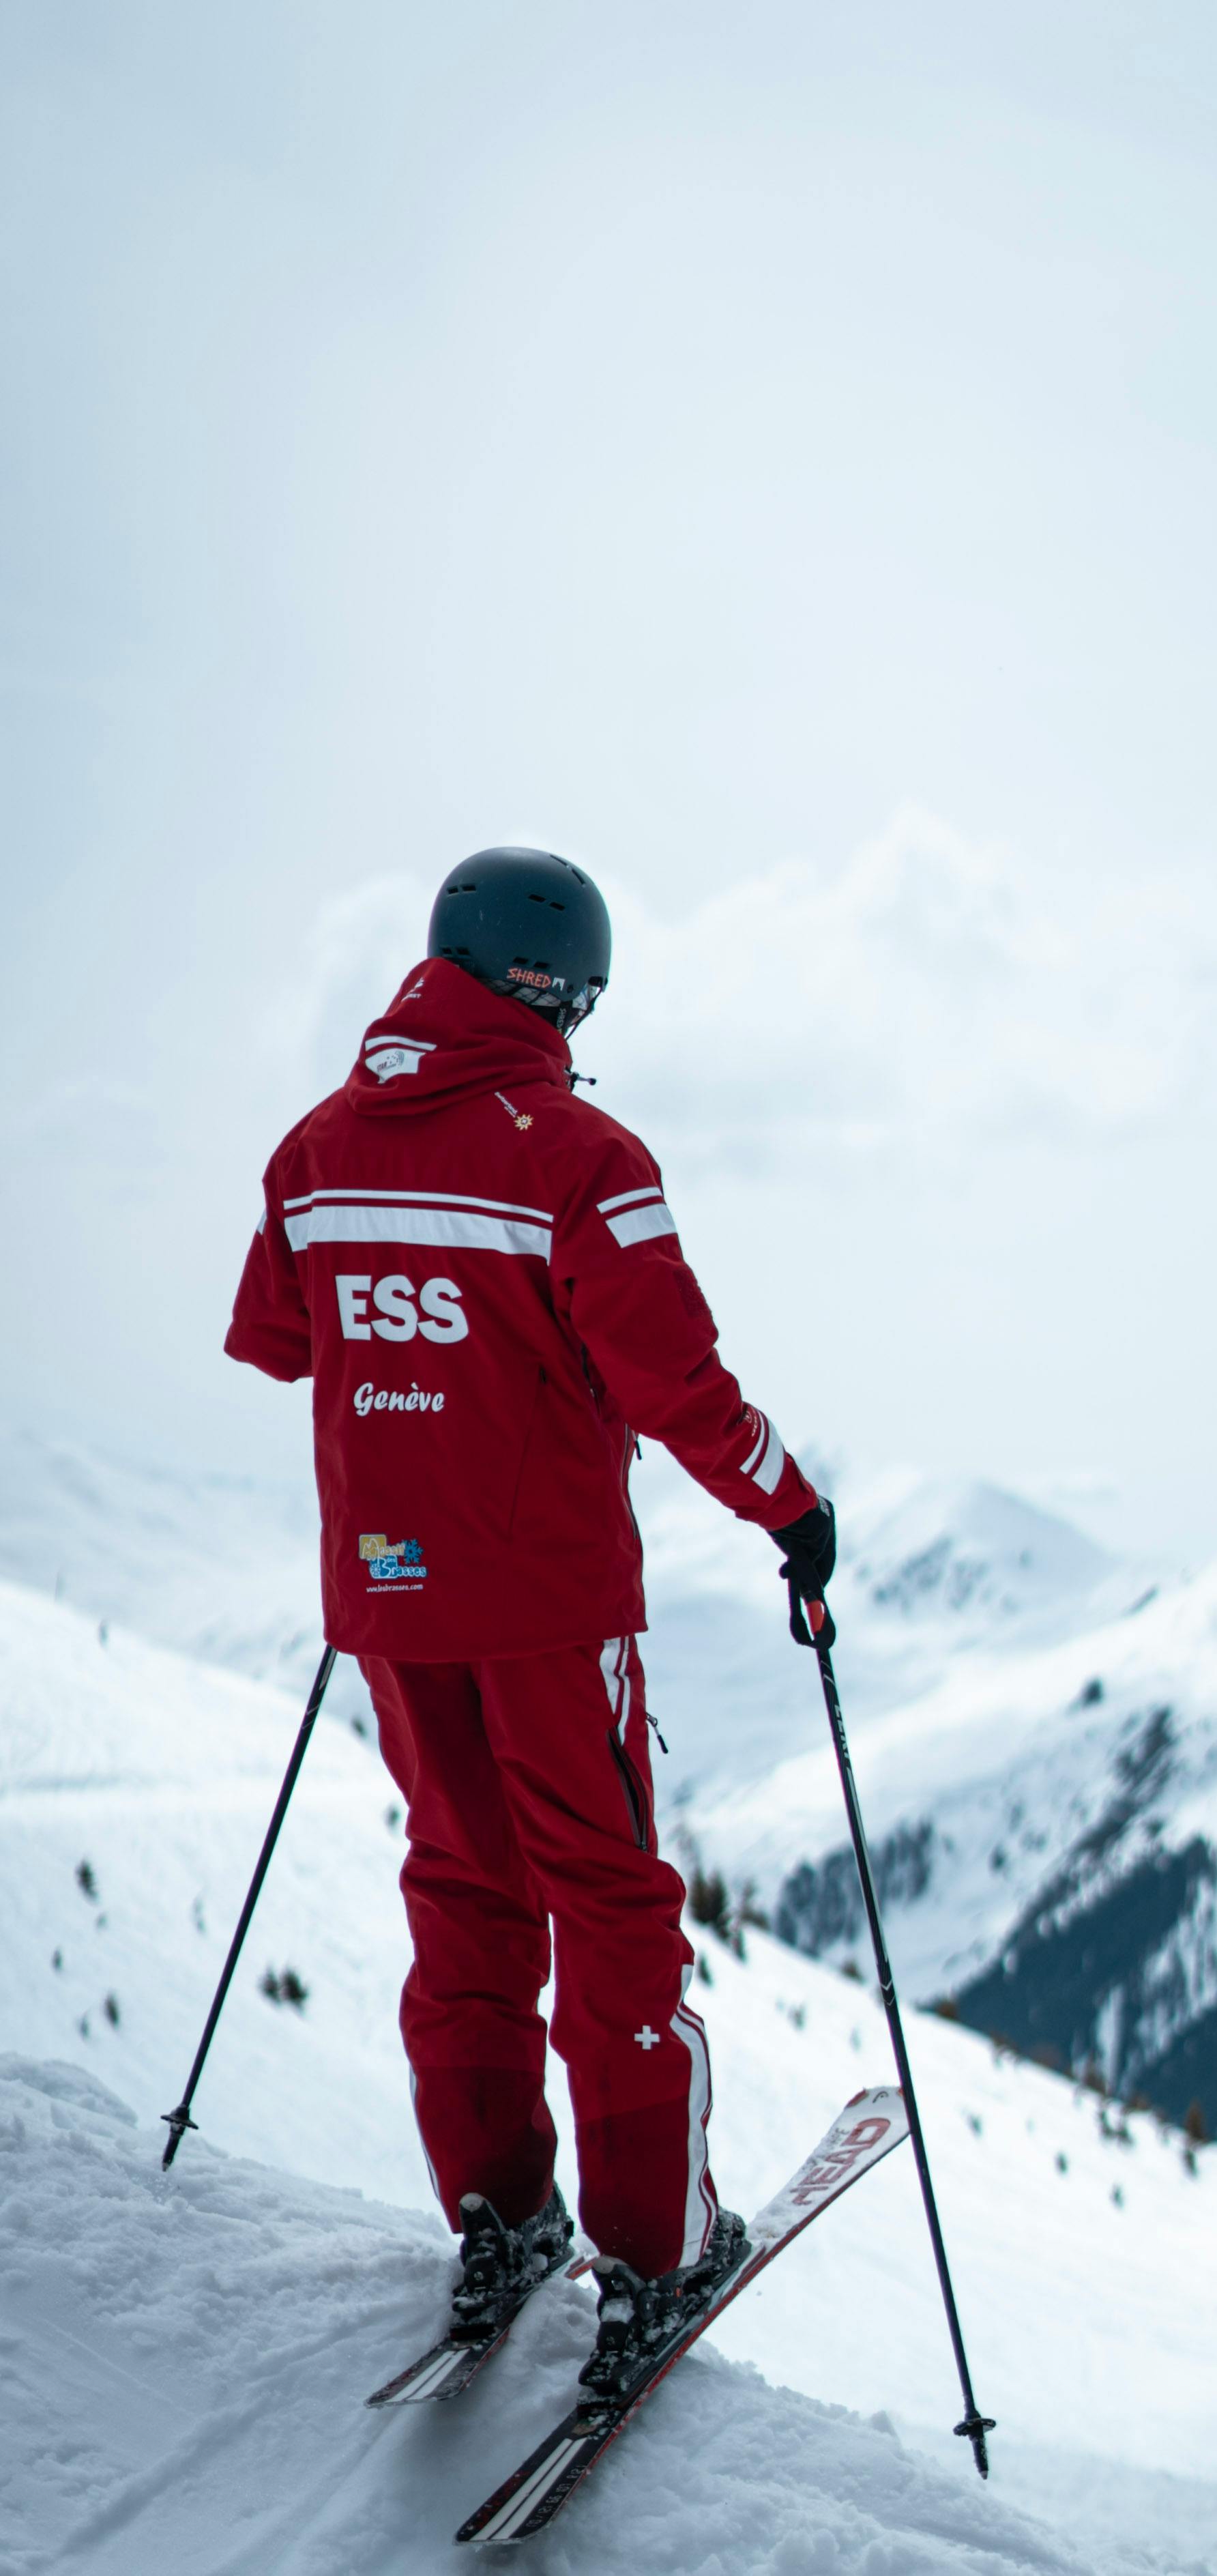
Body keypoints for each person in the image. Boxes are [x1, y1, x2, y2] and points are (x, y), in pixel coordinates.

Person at [224, 845, 836, 2403]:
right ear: (556, 987)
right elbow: (674, 1384)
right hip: (550, 1598)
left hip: (389, 1585)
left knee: (461, 1883)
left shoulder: (314, 1150)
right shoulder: (580, 1156)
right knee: (607, 1901)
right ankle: (654, 2247)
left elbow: (281, 1339)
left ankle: (498, 2212)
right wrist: (787, 1505)